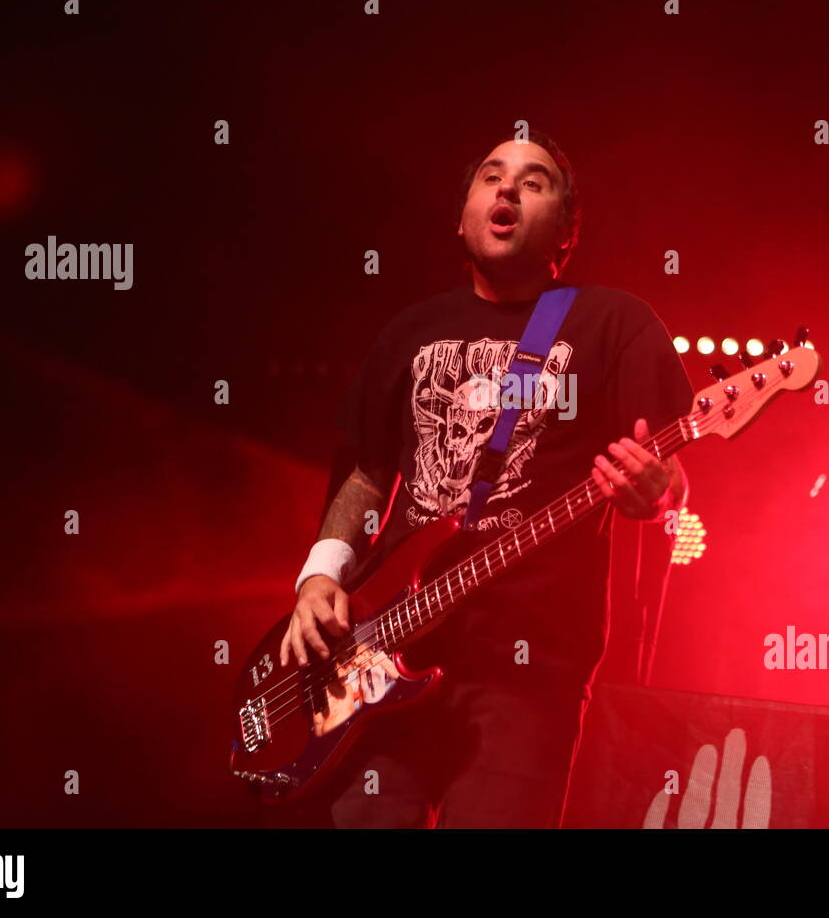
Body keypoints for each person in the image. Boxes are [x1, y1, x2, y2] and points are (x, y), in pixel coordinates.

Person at [279, 130, 693, 827]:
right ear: (462, 214)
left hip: (528, 672)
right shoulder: (410, 330)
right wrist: (319, 578)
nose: (507, 189)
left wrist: (660, 497)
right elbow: (366, 475)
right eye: (492, 177)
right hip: (384, 656)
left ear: (566, 228)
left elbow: (670, 473)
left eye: (533, 182)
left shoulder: (613, 323)